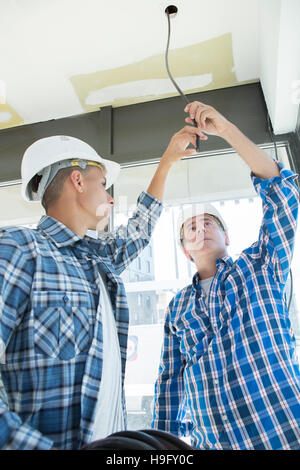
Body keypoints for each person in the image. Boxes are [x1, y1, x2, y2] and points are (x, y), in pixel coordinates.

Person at [0, 125, 203, 450]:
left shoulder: (97, 261)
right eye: (104, 184)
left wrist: (167, 161)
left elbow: (139, 230)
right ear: (77, 181)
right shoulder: (20, 250)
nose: (110, 197)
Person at [152, 101, 300, 450]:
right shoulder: (177, 310)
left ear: (227, 237)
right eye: (190, 226)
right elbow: (169, 384)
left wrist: (226, 130)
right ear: (185, 251)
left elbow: (285, 194)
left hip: (285, 432)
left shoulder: (260, 266)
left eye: (209, 222)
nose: (200, 227)